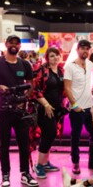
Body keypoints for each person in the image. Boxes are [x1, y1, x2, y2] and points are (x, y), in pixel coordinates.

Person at [0, 35, 37, 187]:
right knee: (4, 145)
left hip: (20, 111)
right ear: (5, 44)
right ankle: (5, 176)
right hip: (3, 110)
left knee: (24, 145)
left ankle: (25, 174)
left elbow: (30, 84)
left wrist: (25, 97)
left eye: (16, 43)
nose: (13, 45)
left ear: (20, 46)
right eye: (11, 43)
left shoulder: (25, 64)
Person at [64, 39, 93, 174]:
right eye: (82, 48)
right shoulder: (70, 67)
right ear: (77, 50)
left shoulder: (90, 64)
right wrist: (74, 105)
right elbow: (67, 88)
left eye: (87, 49)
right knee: (76, 137)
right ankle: (75, 162)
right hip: (77, 109)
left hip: (89, 108)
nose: (85, 51)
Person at [30, 47, 65, 179]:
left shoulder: (61, 70)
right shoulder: (41, 70)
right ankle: (38, 164)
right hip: (44, 108)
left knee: (50, 135)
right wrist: (46, 104)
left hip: (57, 108)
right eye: (52, 56)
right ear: (47, 58)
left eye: (57, 55)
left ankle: (45, 162)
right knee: (49, 133)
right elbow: (35, 89)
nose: (55, 58)